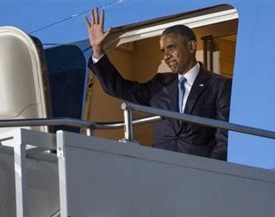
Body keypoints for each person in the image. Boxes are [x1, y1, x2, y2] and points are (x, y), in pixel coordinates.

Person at [85, 8, 232, 161]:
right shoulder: (160, 84)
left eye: (171, 48)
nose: (166, 56)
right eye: (163, 51)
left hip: (199, 172)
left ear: (191, 47)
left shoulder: (220, 86)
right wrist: (98, 51)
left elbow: (225, 138)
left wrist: (212, 171)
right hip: (160, 168)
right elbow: (120, 88)